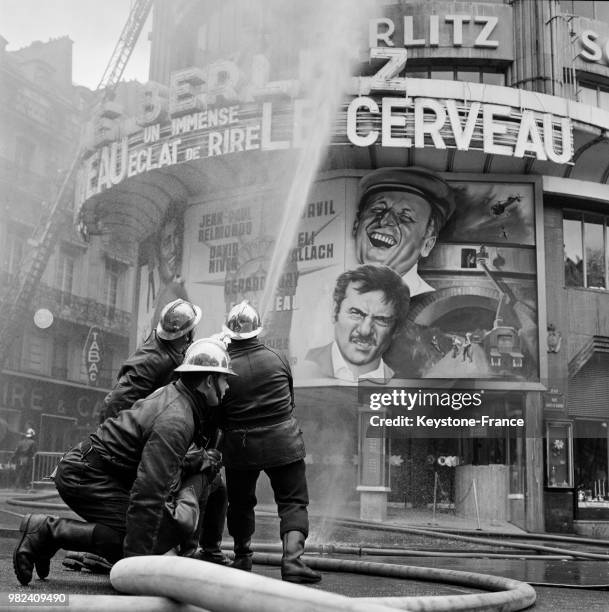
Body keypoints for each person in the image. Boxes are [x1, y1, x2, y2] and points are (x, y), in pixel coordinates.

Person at [13, 338, 236, 587]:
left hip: (96, 471)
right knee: (153, 536)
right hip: (86, 478)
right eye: (224, 379)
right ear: (208, 382)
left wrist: (194, 461)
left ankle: (47, 534)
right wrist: (137, 569)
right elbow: (148, 495)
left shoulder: (176, 397)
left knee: (155, 532)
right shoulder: (177, 419)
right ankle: (47, 532)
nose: (227, 386)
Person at [220, 301, 321, 584]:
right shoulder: (278, 358)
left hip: (240, 446)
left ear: (229, 331)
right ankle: (292, 562)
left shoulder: (222, 364)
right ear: (257, 331)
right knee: (292, 502)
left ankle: (242, 557)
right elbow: (290, 400)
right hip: (284, 442)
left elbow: (217, 409)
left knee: (240, 503)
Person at [352, 166, 456, 297]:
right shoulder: (334, 293)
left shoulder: (429, 304)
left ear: (427, 245)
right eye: (378, 209)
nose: (386, 220)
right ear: (356, 225)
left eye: (405, 217)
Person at [303, 265, 410, 383]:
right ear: (335, 311)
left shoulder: (404, 382)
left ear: (396, 329)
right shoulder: (301, 368)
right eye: (356, 313)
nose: (365, 330)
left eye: (381, 319)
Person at [102, 298, 202, 420]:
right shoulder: (151, 360)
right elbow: (115, 405)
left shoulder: (171, 351)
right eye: (193, 328)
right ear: (187, 335)